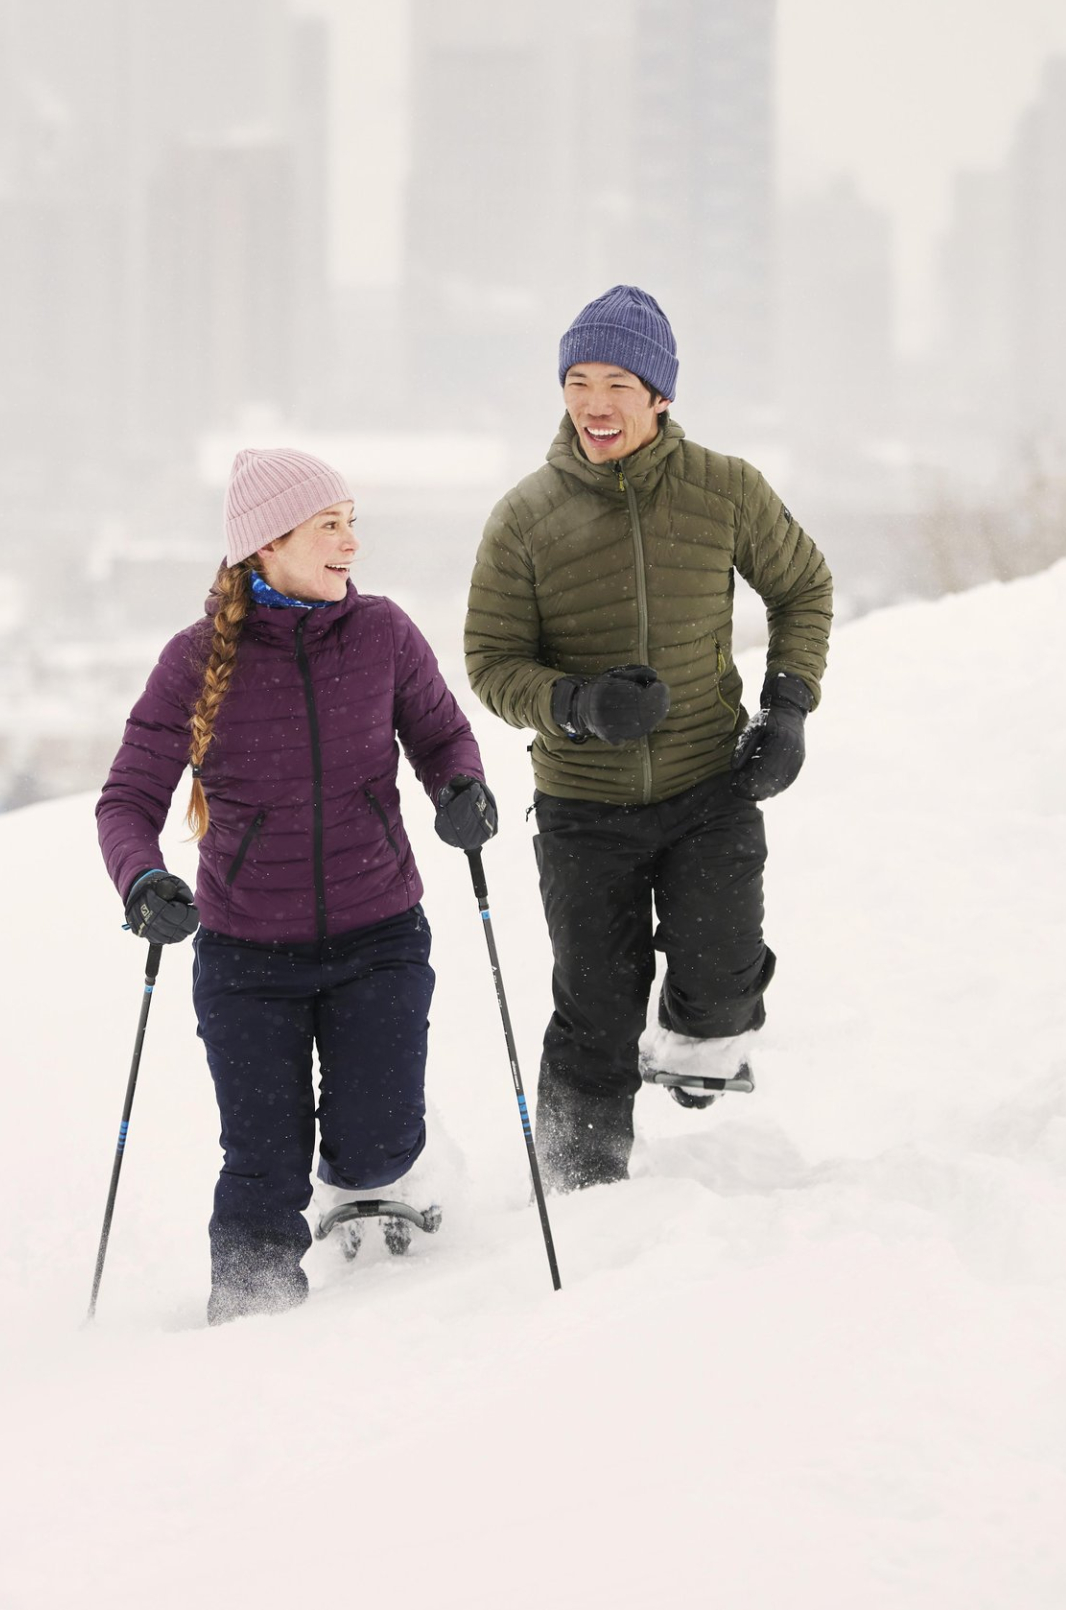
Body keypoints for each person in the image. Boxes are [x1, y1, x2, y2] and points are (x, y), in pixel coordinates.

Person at [97, 447, 499, 1322]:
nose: (351, 542)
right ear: (267, 544)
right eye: (330, 525)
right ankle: (249, 1322)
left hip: (379, 934)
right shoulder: (195, 660)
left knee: (376, 1143)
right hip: (247, 958)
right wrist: (143, 882)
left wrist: (460, 789)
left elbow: (442, 737)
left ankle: (380, 1176)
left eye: (352, 521)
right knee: (263, 1163)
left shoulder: (384, 633)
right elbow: (128, 799)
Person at [463, 284, 833, 1190]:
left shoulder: (727, 490)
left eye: (619, 383)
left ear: (661, 395)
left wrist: (786, 709)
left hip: (710, 784)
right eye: (578, 380)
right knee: (595, 1008)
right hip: (584, 808)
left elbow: (803, 588)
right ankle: (579, 1188)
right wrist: (578, 704)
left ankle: (698, 1031)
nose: (595, 402)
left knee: (721, 973)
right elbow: (490, 662)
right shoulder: (525, 517)